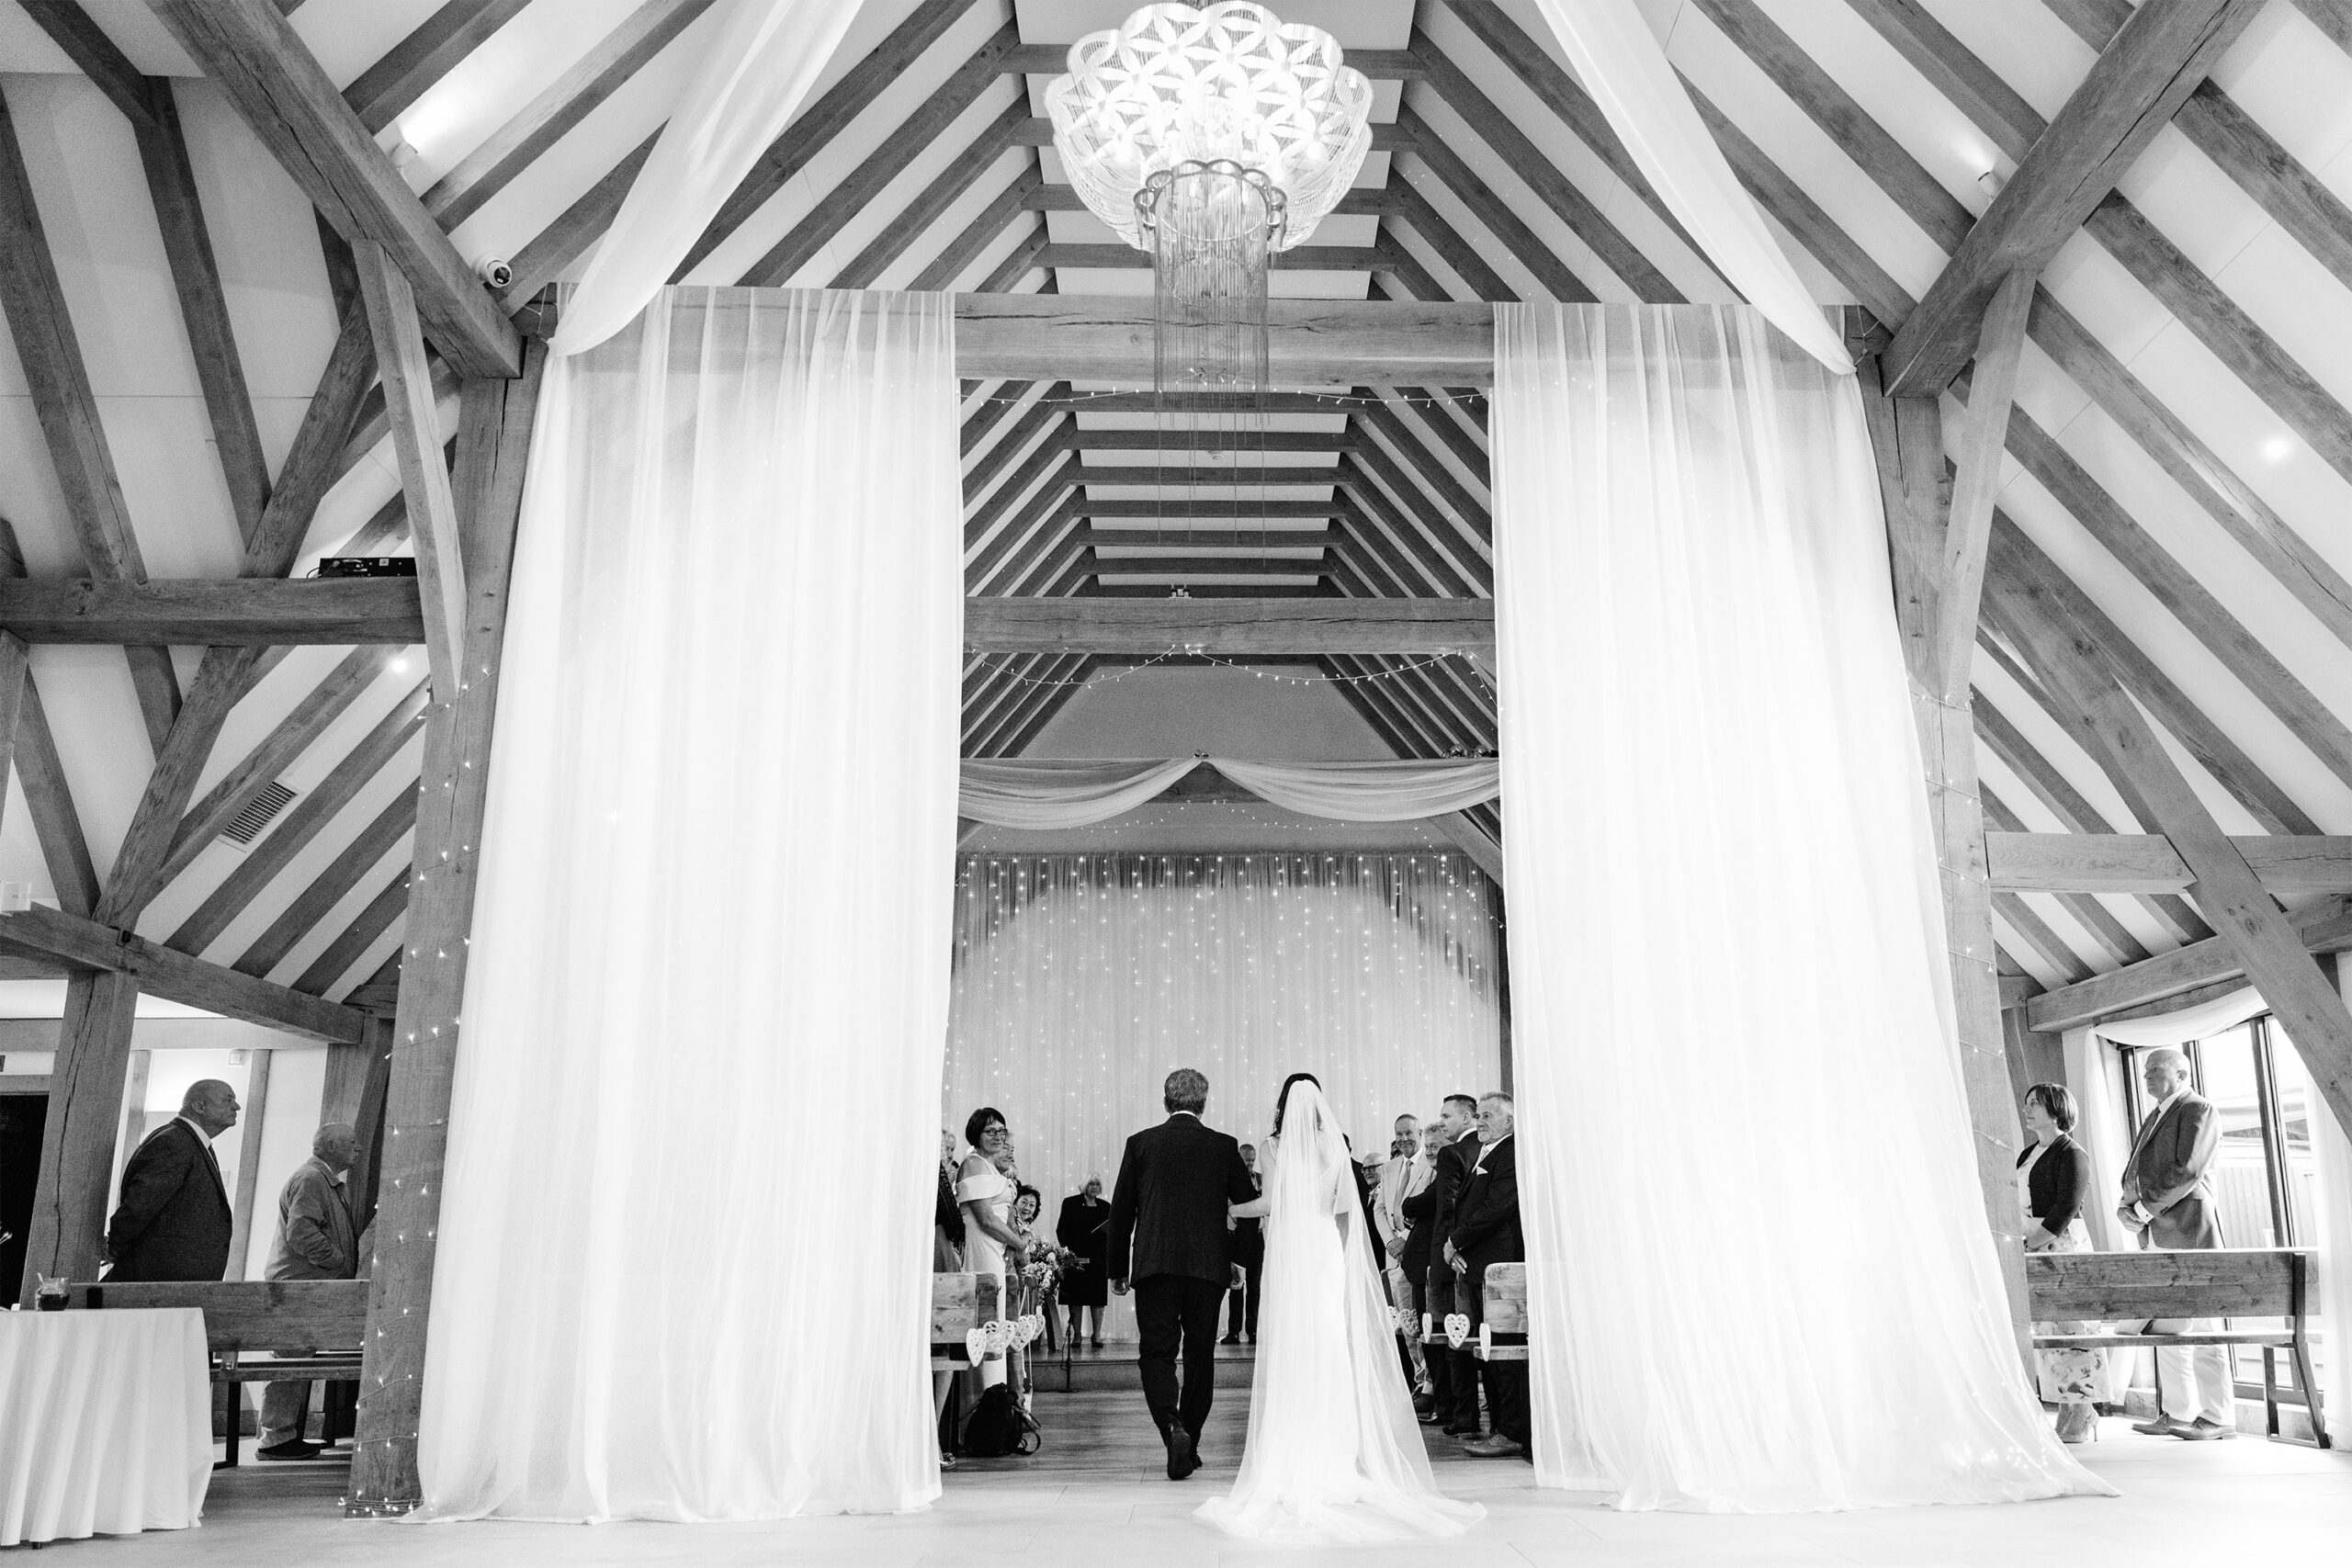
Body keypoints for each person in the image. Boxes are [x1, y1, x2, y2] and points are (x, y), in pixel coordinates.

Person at [1196, 1074, 1483, 1542]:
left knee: (1293, 1341)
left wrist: (1229, 1209)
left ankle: (1292, 1445)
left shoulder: (1273, 1146)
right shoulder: (1334, 1145)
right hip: (1325, 1245)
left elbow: (1269, 1203)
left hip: (1292, 1247)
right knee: (1328, 1340)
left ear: (1283, 1105)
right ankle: (1335, 1448)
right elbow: (1344, 1209)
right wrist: (1349, 1264)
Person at [1106, 1066, 1257, 1481]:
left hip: (1154, 1266)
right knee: (1199, 1357)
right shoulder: (1224, 1146)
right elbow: (1247, 1209)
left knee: (1156, 1354)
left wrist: (1118, 1268)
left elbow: (1121, 1212)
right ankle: (1190, 1435)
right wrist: (1237, 1261)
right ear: (1203, 1104)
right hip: (1209, 1269)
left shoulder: (1141, 1144)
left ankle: (1172, 1428)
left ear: (1166, 1101)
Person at [2117, 1048, 2233, 1440]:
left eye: (2156, 1068)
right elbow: (2136, 1168)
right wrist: (2125, 1206)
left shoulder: (2199, 1109)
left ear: (2182, 1073)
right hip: (2158, 1231)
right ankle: (2179, 1413)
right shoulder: (2155, 1114)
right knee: (2169, 1328)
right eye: (2145, 1068)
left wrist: (2144, 1209)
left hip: (2190, 1229)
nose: (2146, 1074)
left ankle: (2218, 1418)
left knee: (2205, 1326)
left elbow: (2188, 1170)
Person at [255, 1122, 358, 1461]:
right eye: (351, 1144)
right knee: (290, 1360)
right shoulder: (312, 1179)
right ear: (330, 1144)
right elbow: (301, 1232)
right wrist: (337, 1260)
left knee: (297, 1360)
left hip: (306, 1286)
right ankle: (275, 1438)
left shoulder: (321, 1179)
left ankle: (283, 1435)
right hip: (298, 1287)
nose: (357, 1150)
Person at [2018, 1084, 2104, 1445]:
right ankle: (2066, 1407)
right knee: (2049, 1333)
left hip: (2061, 1244)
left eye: (2036, 1104)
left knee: (2074, 1330)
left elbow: (2066, 1207)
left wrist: (2033, 1242)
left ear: (2057, 1110)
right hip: (2032, 1242)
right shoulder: (2027, 1153)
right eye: (2027, 1104)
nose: (2028, 1109)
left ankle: (2083, 1409)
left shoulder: (2071, 1152)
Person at [1449, 1093, 1527, 1460]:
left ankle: (1512, 1431)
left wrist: (1455, 1241)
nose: (1480, 1121)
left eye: (1489, 1116)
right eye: (1478, 1115)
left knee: (1503, 1350)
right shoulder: (1487, 1150)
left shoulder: (1510, 1151)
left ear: (1509, 1123)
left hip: (1501, 1265)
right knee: (1489, 1351)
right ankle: (1498, 1427)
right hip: (1480, 1263)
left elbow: (1498, 1206)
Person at [104, 1079, 240, 1282]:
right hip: (157, 1281)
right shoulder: (174, 1142)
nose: (236, 1106)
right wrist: (115, 1247)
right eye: (228, 1100)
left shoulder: (188, 1141)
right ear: (199, 1106)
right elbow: (140, 1206)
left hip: (174, 1279)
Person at [1420, 1093, 1483, 1438]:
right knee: (1470, 1335)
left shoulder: (1453, 1152)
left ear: (1466, 1116)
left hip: (1449, 1256)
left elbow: (1447, 1206)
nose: (1442, 1121)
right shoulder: (1480, 1149)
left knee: (1452, 1338)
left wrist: (1446, 1249)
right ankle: (1468, 1415)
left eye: (1446, 1116)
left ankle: (1463, 1416)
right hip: (1472, 1252)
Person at [958, 1108, 1030, 1390]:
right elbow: (986, 1219)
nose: (998, 1136)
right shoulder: (974, 1163)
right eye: (991, 1131)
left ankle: (998, 1395)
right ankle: (987, 1397)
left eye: (1001, 1130)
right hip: (982, 1248)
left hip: (997, 1250)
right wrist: (1019, 1242)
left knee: (998, 1320)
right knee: (988, 1321)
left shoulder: (988, 1165)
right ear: (976, 1134)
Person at [1380, 1123, 1435, 1404]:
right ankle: (1418, 1378)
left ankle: (1431, 1383)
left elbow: (1429, 1207)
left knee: (1424, 1317)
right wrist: (1391, 1241)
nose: (1403, 1139)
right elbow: (1380, 1209)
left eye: (1409, 1134)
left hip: (1418, 1250)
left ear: (1420, 1135)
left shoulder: (1432, 1162)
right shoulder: (1389, 1168)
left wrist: (1404, 1239)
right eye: (1399, 1134)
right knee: (1406, 1322)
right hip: (1395, 1256)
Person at [1057, 1177, 1111, 1349]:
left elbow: (1112, 1231)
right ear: (1084, 1186)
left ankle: (1097, 1335)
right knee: (1076, 1297)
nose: (1095, 1187)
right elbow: (1062, 1228)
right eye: (1091, 1184)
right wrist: (1068, 1252)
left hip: (1098, 1258)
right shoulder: (1071, 1203)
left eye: (1098, 1184)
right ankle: (1077, 1335)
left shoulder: (1106, 1207)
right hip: (1075, 1256)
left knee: (1097, 1298)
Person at [1221, 1144, 1263, 1346]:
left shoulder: (1261, 1179)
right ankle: (1234, 1332)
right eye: (1247, 1159)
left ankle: (1253, 1331)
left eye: (1253, 1159)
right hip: (1235, 1237)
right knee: (1236, 1284)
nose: (1250, 1163)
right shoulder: (1228, 1179)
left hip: (1256, 1237)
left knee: (1254, 1285)